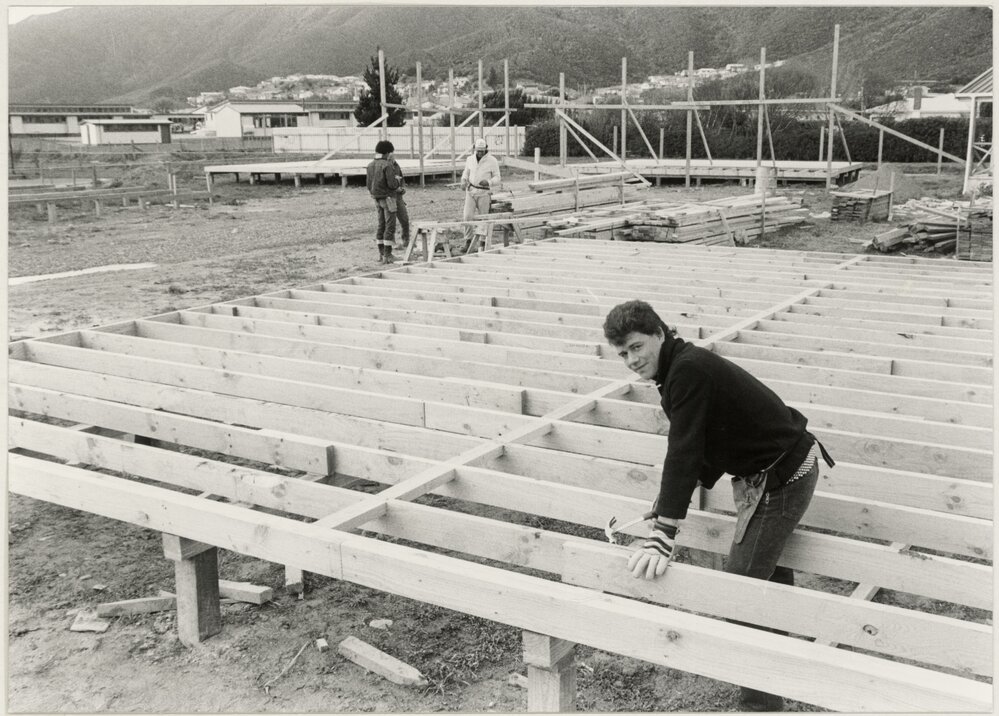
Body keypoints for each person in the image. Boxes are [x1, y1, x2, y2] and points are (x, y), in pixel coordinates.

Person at [602, 299, 834, 712]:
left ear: (659, 333)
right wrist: (667, 502)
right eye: (623, 353)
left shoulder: (687, 370)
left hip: (780, 479)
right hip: (769, 473)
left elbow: (684, 448)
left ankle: (760, 705)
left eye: (637, 347)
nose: (631, 361)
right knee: (765, 577)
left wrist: (664, 533)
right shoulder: (679, 367)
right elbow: (704, 441)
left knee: (736, 594)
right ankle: (780, 667)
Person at [365, 140, 409, 264]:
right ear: (388, 153)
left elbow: (368, 184)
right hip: (389, 198)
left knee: (381, 225)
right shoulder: (387, 165)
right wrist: (398, 185)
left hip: (376, 198)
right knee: (390, 226)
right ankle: (388, 255)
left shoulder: (370, 165)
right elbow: (392, 184)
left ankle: (381, 254)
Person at [459, 138, 501, 253]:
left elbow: (498, 177)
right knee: (467, 216)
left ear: (486, 149)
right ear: (474, 149)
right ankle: (468, 241)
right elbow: (466, 172)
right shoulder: (470, 159)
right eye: (478, 151)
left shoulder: (492, 161)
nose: (480, 153)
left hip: (484, 192)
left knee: (483, 217)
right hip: (471, 191)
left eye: (482, 151)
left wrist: (488, 182)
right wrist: (463, 180)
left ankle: (482, 242)